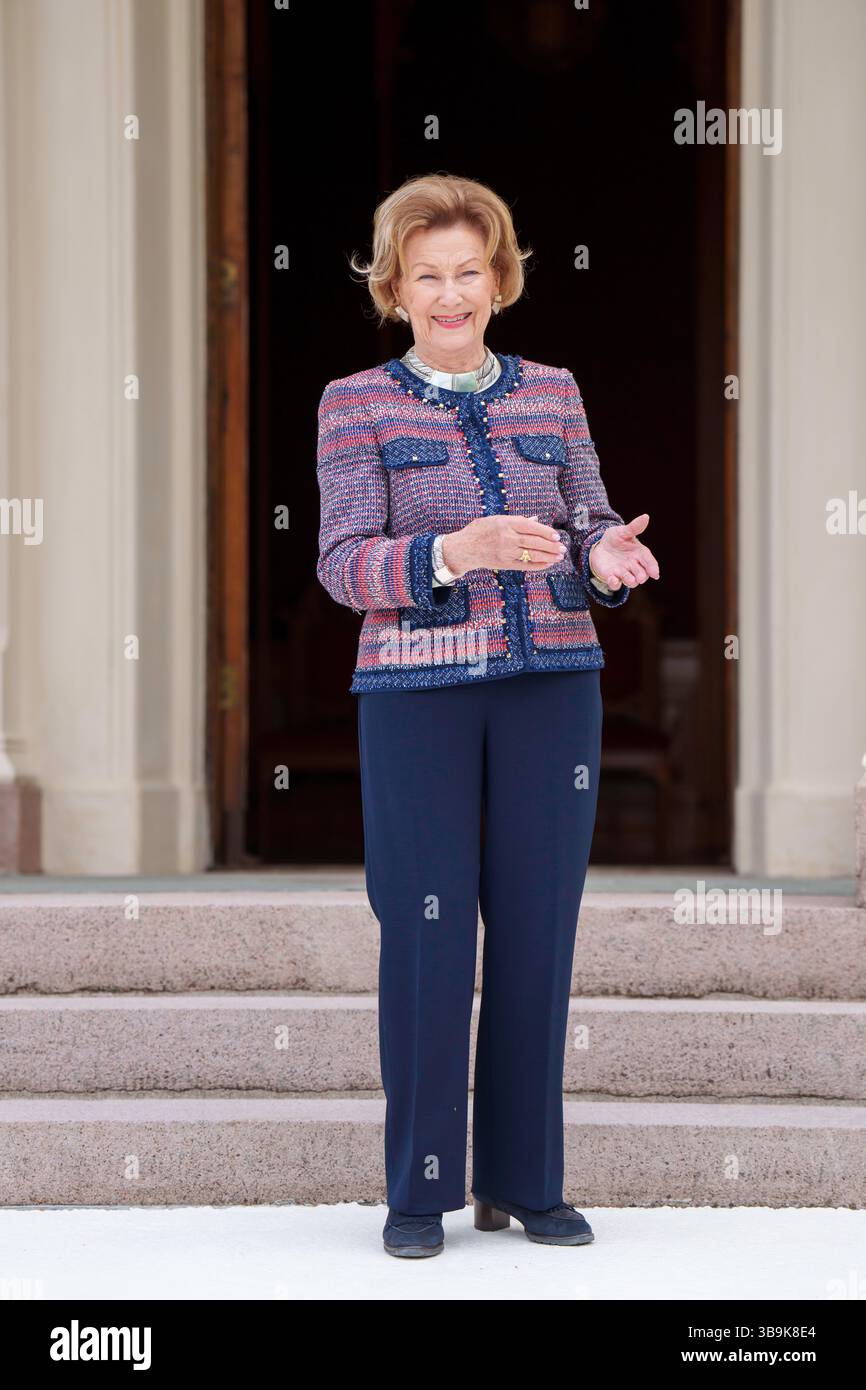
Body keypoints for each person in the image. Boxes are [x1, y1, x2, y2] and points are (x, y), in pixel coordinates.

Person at [316, 173, 659, 1258]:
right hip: (415, 694)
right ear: (394, 286)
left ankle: (524, 1180)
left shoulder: (552, 391)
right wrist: (447, 555)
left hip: (552, 689)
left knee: (535, 931)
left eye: (468, 272)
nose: (449, 293)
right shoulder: (354, 402)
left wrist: (604, 555)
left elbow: (588, 517)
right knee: (424, 934)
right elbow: (339, 563)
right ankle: (419, 1193)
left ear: (499, 280)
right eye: (427, 275)